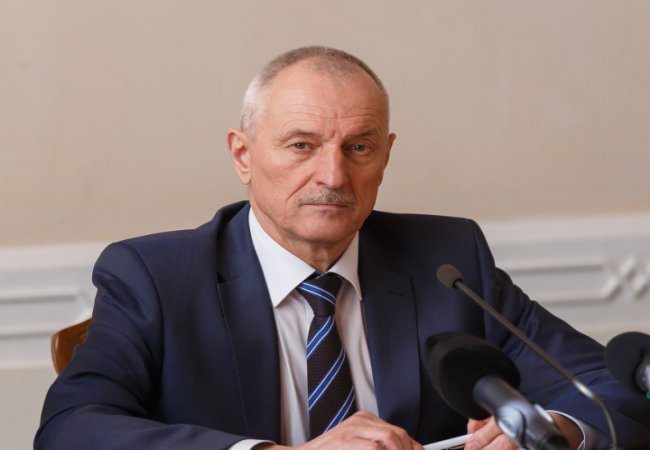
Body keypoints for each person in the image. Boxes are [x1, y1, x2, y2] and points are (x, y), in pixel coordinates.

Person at [35, 46, 650, 450]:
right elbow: (70, 429)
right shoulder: (154, 277)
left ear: (386, 155)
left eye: (358, 148)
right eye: (302, 146)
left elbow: (610, 385)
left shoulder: (448, 259)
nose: (332, 176)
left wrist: (553, 429)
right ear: (243, 155)